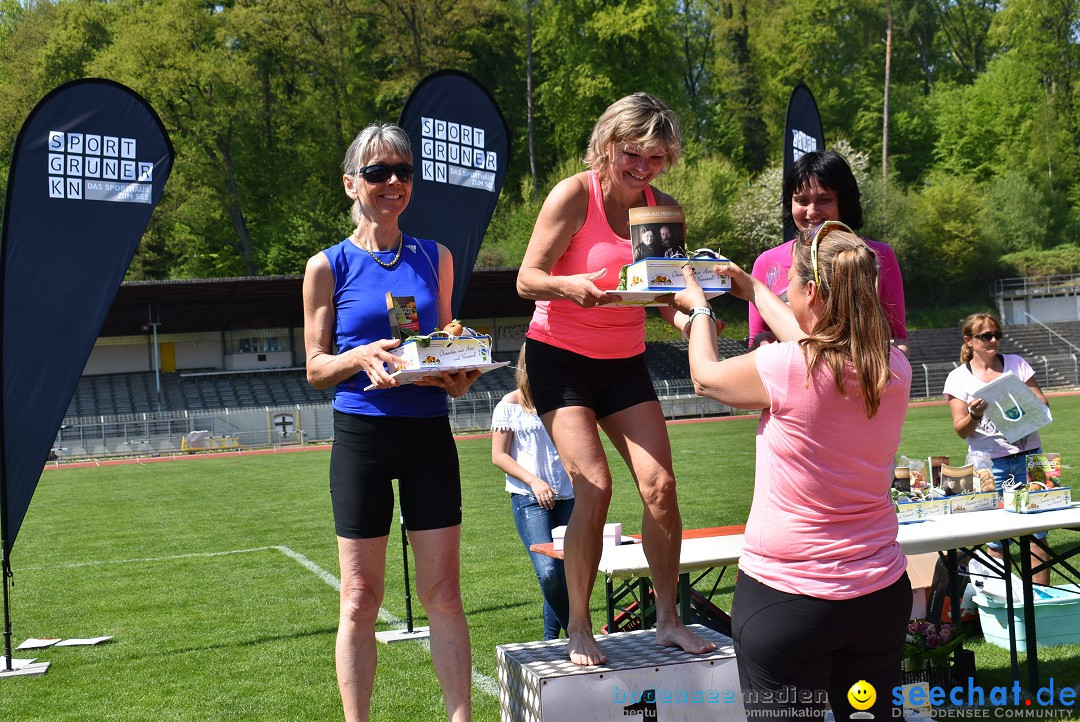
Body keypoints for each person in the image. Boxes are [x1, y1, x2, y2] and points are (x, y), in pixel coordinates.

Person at [675, 223, 913, 719]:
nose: (784, 289)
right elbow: (816, 346)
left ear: (812, 292)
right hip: (879, 595)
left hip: (788, 598)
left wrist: (698, 309)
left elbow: (705, 377)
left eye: (789, 283)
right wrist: (756, 289)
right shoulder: (892, 367)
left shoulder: (789, 365)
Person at [516, 92, 717, 666]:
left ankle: (669, 620)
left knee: (661, 487)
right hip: (559, 356)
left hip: (624, 360)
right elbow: (527, 280)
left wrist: (689, 317)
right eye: (632, 153)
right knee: (595, 486)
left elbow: (663, 292)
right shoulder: (574, 195)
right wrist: (571, 284)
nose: (642, 168)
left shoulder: (664, 207)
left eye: (655, 159)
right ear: (606, 145)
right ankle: (579, 625)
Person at [303, 123, 479, 722]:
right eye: (378, 173)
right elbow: (316, 367)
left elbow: (446, 339)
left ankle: (460, 716)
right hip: (363, 438)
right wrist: (360, 356)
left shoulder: (437, 257)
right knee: (358, 598)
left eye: (403, 171)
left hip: (429, 430)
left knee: (444, 594)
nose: (393, 183)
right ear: (352, 183)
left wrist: (459, 371)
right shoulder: (327, 266)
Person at [749, 150, 908, 355]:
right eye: (802, 200)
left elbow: (898, 337)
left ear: (843, 201)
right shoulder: (766, 262)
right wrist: (763, 344)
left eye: (824, 199)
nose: (812, 211)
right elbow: (756, 338)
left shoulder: (877, 256)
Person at [943, 312, 1051, 586]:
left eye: (997, 335)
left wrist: (1032, 400)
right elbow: (961, 429)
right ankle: (1001, 605)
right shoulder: (958, 378)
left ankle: (1041, 604)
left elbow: (1042, 403)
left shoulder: (1015, 363)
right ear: (969, 340)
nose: (993, 340)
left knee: (1037, 535)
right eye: (986, 336)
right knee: (996, 540)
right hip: (990, 465)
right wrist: (975, 415)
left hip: (1030, 456)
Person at [491, 344, 575, 640]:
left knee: (565, 575)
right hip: (529, 498)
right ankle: (577, 630)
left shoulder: (564, 399)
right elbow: (499, 455)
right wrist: (535, 482)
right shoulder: (509, 404)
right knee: (549, 572)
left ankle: (551, 640)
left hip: (568, 495)